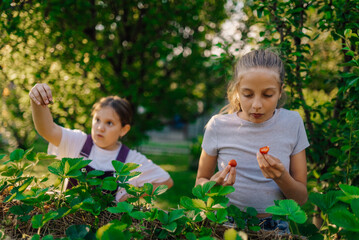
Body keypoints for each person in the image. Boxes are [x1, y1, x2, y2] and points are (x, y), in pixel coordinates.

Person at [195, 49, 309, 233]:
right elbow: (199, 183)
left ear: (280, 91)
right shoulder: (218, 126)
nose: (257, 105)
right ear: (237, 91)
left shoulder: (292, 123)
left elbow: (301, 198)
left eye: (267, 95)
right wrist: (211, 186)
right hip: (226, 224)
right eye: (248, 94)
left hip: (275, 227)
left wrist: (281, 177)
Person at [29, 83, 173, 202]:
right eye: (97, 119)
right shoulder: (78, 142)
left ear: (124, 130)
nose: (100, 127)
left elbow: (166, 181)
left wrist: (130, 196)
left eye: (109, 123)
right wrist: (38, 101)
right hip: (68, 225)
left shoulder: (130, 159)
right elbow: (47, 130)